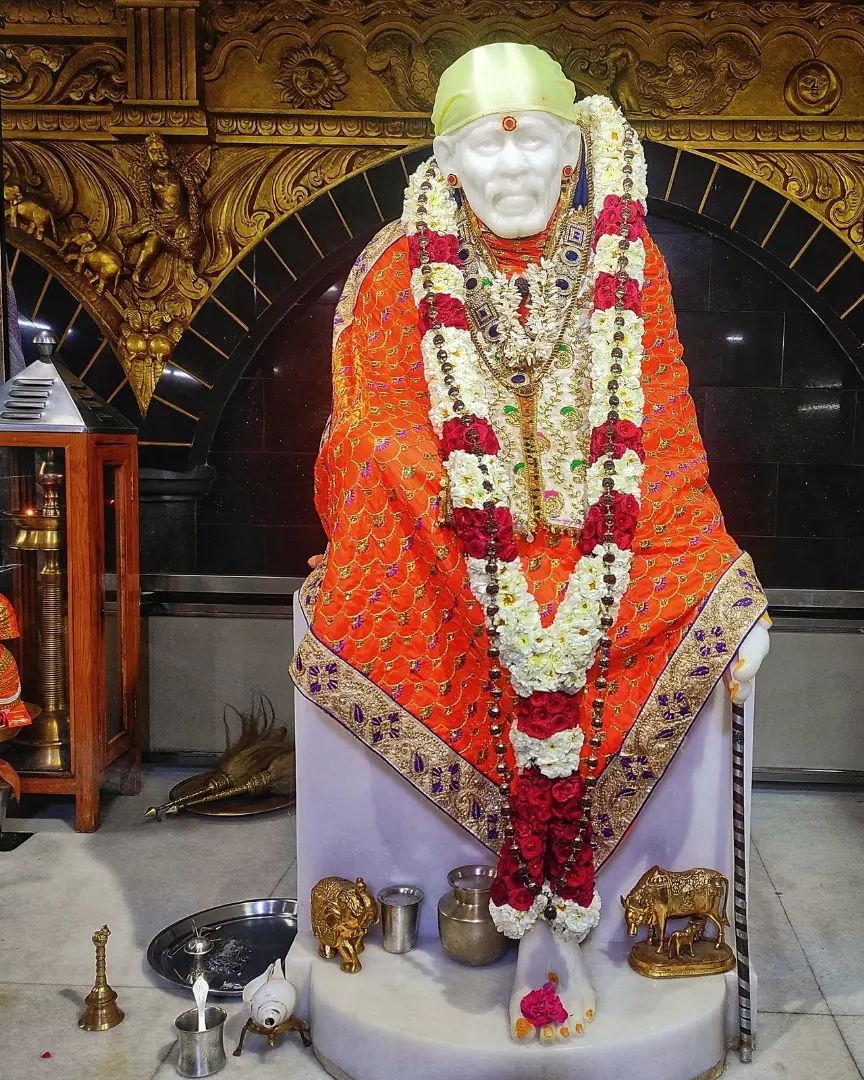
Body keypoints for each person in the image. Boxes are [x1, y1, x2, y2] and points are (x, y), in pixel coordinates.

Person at [294, 42, 770, 1044]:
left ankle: (567, 917)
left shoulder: (628, 260)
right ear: (445, 163)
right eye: (485, 148)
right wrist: (476, 517)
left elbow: (664, 420)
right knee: (398, 542)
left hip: (609, 532)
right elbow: (373, 424)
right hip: (450, 537)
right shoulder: (396, 264)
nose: (511, 169)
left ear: (572, 154)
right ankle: (516, 909)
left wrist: (723, 581)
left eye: (533, 145)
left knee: (688, 600)